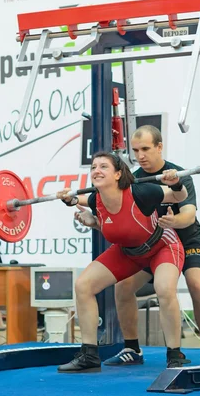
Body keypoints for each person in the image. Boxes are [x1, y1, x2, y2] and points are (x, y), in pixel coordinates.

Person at [56, 152, 188, 372]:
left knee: (164, 288)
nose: (96, 170)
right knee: (83, 285)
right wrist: (70, 200)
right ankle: (89, 354)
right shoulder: (95, 199)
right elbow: (77, 200)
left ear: (118, 174)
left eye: (103, 167)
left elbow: (178, 197)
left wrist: (176, 183)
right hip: (128, 253)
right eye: (93, 167)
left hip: (162, 246)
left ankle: (175, 354)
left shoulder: (140, 192)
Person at [102, 125, 200, 366]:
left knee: (197, 285)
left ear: (159, 147)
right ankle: (132, 349)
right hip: (157, 245)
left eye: (146, 149)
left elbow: (188, 215)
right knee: (123, 287)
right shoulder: (134, 180)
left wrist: (172, 221)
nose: (141, 156)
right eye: (136, 150)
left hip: (188, 241)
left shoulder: (180, 174)